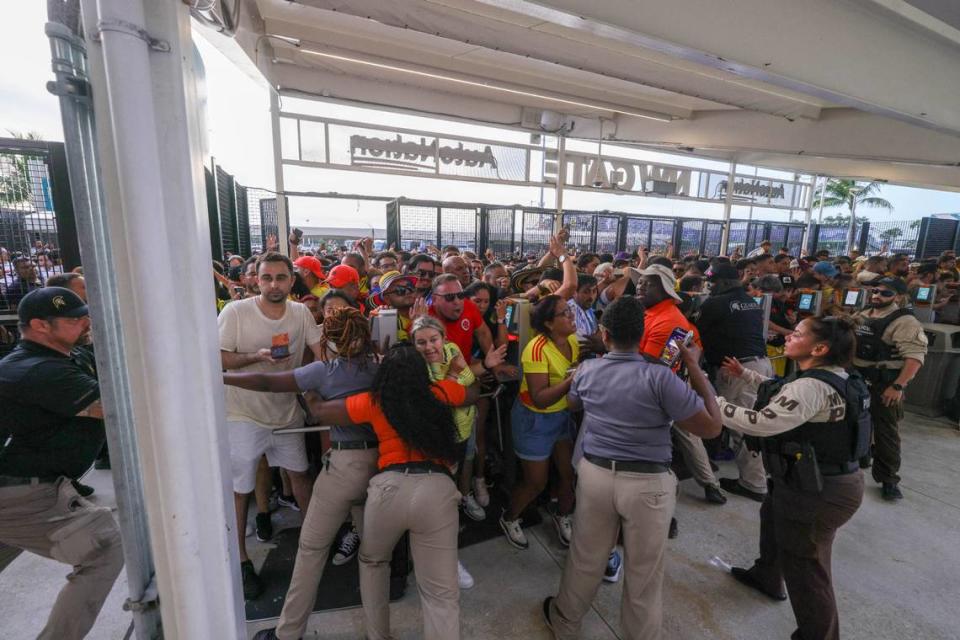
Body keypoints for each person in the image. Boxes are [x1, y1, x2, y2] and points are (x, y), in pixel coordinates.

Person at [542, 295, 721, 640]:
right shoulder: (661, 378)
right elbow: (711, 426)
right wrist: (694, 369)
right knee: (644, 571)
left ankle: (565, 622)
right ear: (641, 335)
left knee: (585, 556)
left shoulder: (587, 372)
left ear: (604, 334)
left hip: (595, 475)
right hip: (648, 482)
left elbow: (574, 402)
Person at [225, 308, 380, 640]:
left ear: (330, 341)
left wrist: (220, 376)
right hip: (382, 467)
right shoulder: (382, 367)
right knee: (374, 558)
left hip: (344, 467)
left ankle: (288, 633)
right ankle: (379, 634)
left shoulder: (322, 371)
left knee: (311, 551)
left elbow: (267, 381)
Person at [305, 345, 478, 640]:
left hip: (388, 490)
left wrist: (309, 388)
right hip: (437, 490)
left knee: (373, 562)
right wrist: (458, 371)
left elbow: (320, 412)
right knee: (440, 593)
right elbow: (473, 393)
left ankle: (378, 636)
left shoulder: (375, 402)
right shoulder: (438, 392)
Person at [719, 316, 868, 640]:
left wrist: (714, 403)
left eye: (797, 334)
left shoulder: (811, 386)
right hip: (807, 480)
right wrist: (746, 375)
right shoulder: (833, 376)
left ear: (820, 348)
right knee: (772, 517)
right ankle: (767, 576)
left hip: (820, 491)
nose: (787, 337)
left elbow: (760, 422)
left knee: (807, 567)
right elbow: (784, 393)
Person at [0, 288, 124, 640]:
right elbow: (118, 407)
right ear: (40, 326)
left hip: (22, 486)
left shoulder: (47, 358)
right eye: (74, 320)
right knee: (104, 548)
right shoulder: (40, 370)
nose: (86, 323)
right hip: (20, 495)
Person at [218, 251, 326, 599]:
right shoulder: (235, 312)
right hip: (242, 413)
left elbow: (319, 353)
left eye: (281, 277)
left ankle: (315, 549)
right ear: (256, 279)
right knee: (240, 488)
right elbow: (218, 357)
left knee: (300, 476)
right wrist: (256, 356)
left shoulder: (301, 312)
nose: (273, 284)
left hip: (286, 411)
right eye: (267, 278)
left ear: (292, 280)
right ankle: (241, 561)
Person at [636, 264, 726, 505]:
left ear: (665, 289)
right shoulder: (652, 313)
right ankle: (709, 484)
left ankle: (670, 502)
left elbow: (658, 366)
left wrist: (614, 348)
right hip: (666, 389)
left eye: (648, 283)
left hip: (662, 393)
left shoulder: (670, 321)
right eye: (640, 281)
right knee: (687, 438)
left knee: (666, 447)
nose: (640, 286)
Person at [500, 293, 579, 550]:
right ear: (548, 323)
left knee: (569, 473)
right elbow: (541, 398)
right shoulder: (535, 350)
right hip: (535, 420)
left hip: (561, 416)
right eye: (564, 313)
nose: (571, 316)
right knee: (536, 482)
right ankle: (509, 517)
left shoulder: (572, 340)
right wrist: (573, 380)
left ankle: (562, 514)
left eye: (570, 310)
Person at [697, 263, 772, 502]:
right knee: (750, 421)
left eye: (713, 282)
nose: (710, 286)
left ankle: (754, 484)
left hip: (737, 369)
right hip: (758, 365)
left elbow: (698, 333)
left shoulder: (715, 303)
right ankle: (755, 476)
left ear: (727, 282)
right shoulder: (750, 301)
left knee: (741, 425)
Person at [853, 277, 928, 500]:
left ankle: (888, 479)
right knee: (855, 422)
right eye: (875, 291)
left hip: (885, 382)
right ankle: (861, 455)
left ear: (898, 296)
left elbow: (914, 359)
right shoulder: (864, 313)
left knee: (886, 432)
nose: (877, 295)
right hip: (858, 378)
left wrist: (897, 386)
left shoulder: (905, 321)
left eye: (885, 293)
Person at [369, 270, 419, 341]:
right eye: (400, 290)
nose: (408, 292)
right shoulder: (384, 318)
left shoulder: (427, 310)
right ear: (387, 299)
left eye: (410, 287)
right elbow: (385, 350)